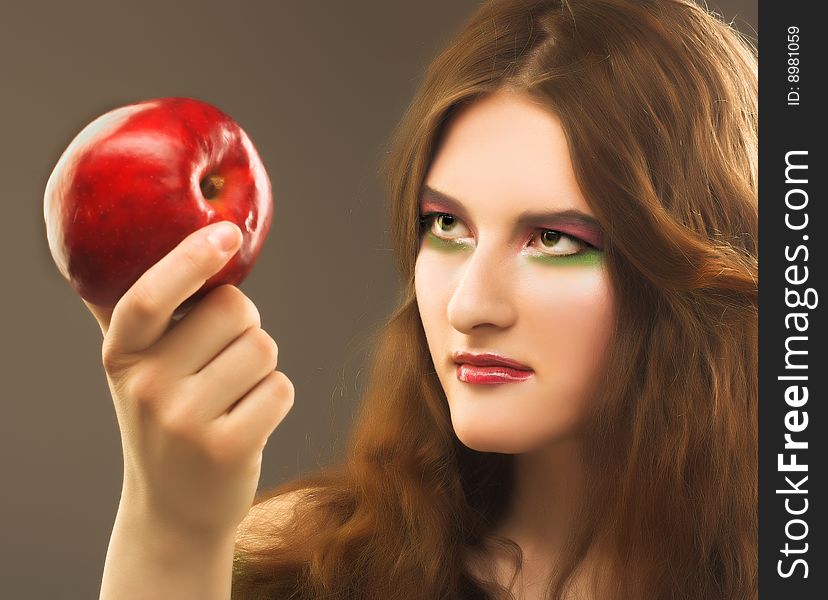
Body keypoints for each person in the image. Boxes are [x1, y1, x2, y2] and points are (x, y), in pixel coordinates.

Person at [87, 0, 758, 598]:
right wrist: (170, 530)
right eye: (446, 226)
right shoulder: (299, 567)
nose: (469, 305)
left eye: (553, 238)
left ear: (693, 270)